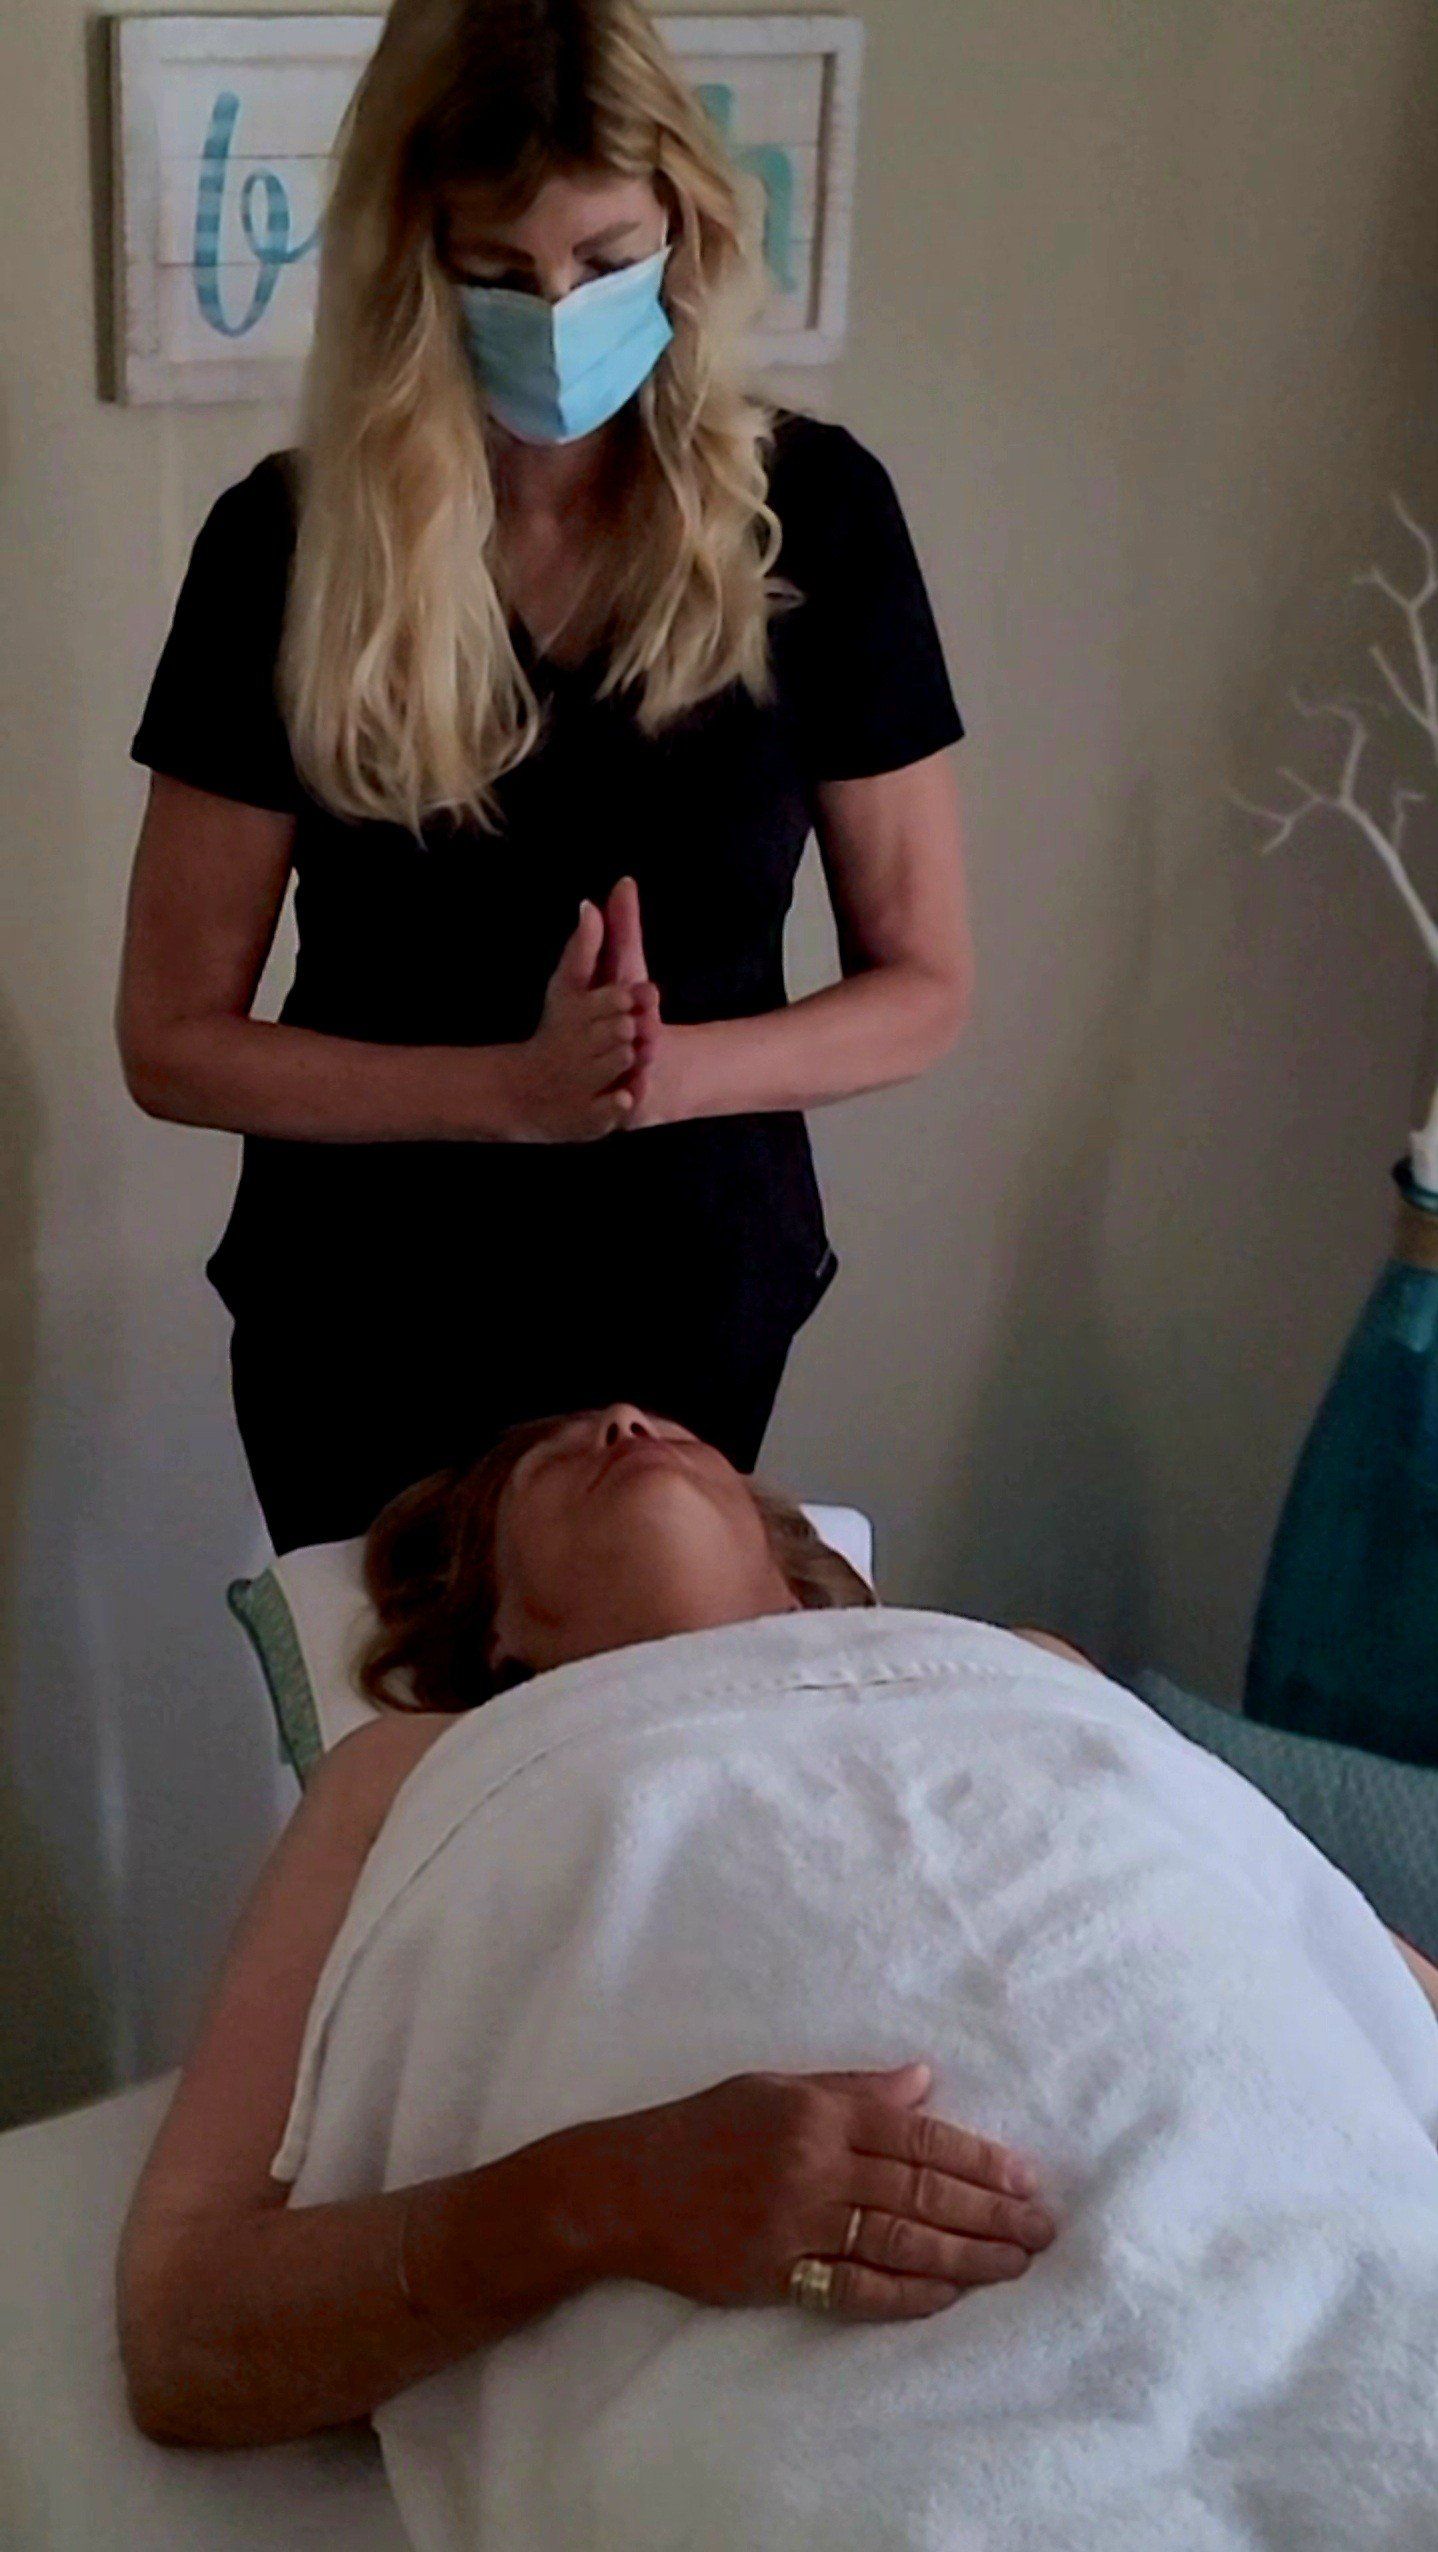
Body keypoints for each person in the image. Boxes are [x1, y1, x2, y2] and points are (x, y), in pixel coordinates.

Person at [117, 1402, 1438, 2481]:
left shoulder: (1012, 1664)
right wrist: (601, 2195)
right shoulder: (418, 1772)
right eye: (546, 1455)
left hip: (1343, 2289)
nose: (624, 1419)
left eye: (669, 1426)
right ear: (500, 1628)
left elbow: (1359, 1967)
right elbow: (185, 2329)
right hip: (898, 2449)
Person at [115, 0, 972, 1556]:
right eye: (499, 272)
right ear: (412, 263)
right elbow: (172, 1043)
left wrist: (661, 1079)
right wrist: (506, 1096)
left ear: (689, 231)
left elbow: (924, 983)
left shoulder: (822, 522)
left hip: (691, 1297)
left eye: (604, 257)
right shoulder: (286, 548)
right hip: (365, 1305)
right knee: (397, 1771)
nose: (558, 309)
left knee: (628, 1766)